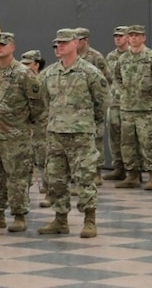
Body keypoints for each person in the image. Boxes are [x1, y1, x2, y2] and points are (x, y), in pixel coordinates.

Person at [38, 29, 108, 239]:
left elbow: (102, 102)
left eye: (64, 42)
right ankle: (60, 220)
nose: (59, 46)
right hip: (56, 133)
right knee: (57, 179)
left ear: (76, 43)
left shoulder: (90, 72)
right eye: (57, 42)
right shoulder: (49, 73)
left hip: (81, 134)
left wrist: (87, 122)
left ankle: (89, 220)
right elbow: (44, 101)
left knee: (85, 178)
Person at [0, 33, 43, 232]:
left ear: (12, 47)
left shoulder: (23, 73)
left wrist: (22, 123)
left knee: (17, 177)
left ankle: (19, 215)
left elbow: (38, 105)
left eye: (3, 45)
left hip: (16, 135)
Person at [113, 25, 152, 191]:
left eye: (137, 35)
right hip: (127, 109)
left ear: (143, 38)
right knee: (127, 144)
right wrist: (122, 91)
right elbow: (116, 77)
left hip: (146, 110)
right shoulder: (123, 59)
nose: (133, 38)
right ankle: (132, 176)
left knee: (148, 143)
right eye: (130, 35)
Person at [75, 27, 111, 186]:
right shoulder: (71, 57)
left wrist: (97, 101)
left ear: (86, 40)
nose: (76, 42)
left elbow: (107, 79)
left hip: (92, 107)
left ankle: (97, 172)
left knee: (96, 140)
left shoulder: (96, 57)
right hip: (74, 107)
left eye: (79, 39)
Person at [104, 26, 130, 181]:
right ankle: (118, 167)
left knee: (129, 138)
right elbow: (107, 78)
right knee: (114, 136)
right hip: (114, 102)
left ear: (128, 37)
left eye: (121, 36)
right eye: (116, 36)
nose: (118, 38)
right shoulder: (111, 56)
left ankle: (133, 170)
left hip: (129, 104)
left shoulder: (132, 55)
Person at [20, 50, 48, 196]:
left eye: (27, 64)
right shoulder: (22, 79)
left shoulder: (44, 79)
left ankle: (47, 184)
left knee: (43, 155)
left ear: (37, 64)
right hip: (26, 123)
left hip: (42, 124)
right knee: (25, 155)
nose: (24, 67)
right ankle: (26, 183)